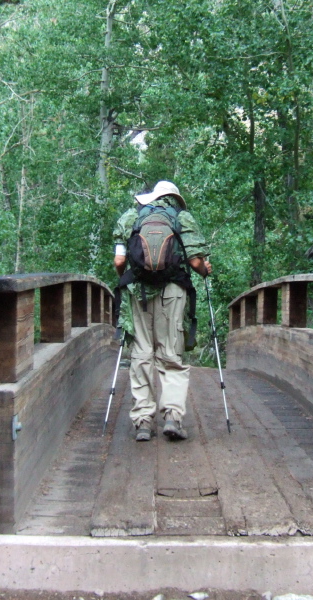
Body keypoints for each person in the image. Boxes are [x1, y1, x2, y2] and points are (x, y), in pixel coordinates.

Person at [113, 181, 212, 442]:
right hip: (173, 291)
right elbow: (194, 260)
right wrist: (205, 270)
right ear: (174, 199)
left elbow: (119, 261)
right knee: (171, 353)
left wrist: (127, 279)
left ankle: (143, 420)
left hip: (138, 293)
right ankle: (172, 417)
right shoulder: (182, 217)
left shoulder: (131, 217)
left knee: (142, 352)